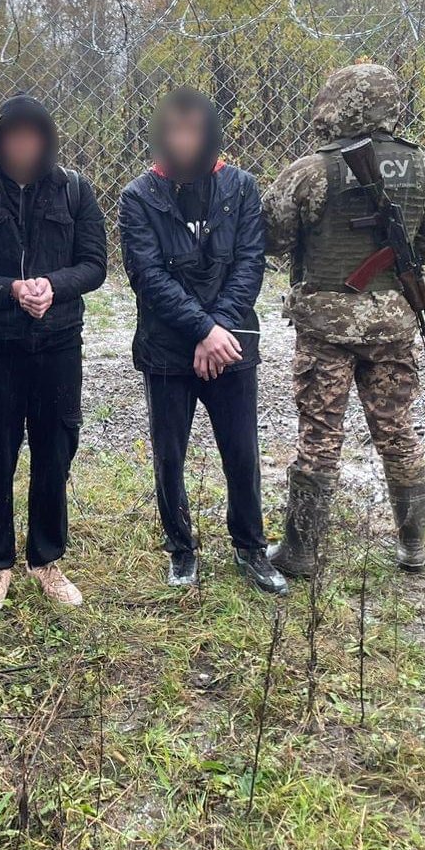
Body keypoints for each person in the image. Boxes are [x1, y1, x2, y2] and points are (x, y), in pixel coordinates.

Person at [262, 64, 425, 576]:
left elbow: (273, 238)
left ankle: (301, 552)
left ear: (337, 104)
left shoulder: (309, 171)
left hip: (326, 325)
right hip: (392, 323)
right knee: (397, 429)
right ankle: (412, 546)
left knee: (319, 432)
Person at [118, 88, 286, 595]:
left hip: (231, 343)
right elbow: (146, 276)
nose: (185, 140)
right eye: (175, 130)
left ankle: (250, 547)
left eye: (194, 130)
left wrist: (220, 329)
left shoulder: (240, 187)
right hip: (168, 346)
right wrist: (203, 330)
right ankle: (181, 548)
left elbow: (250, 263)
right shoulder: (138, 197)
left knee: (241, 450)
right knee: (169, 454)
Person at [0, 95, 106, 611]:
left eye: (32, 135)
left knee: (55, 446)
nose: (22, 145)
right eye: (12, 135)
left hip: (60, 342)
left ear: (46, 139)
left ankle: (46, 559)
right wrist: (10, 290)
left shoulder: (75, 190)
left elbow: (95, 264)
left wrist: (52, 286)